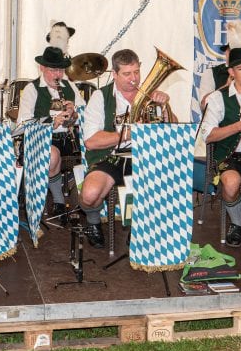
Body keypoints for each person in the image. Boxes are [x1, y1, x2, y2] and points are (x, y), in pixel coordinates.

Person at [79, 49, 170, 248]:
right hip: (110, 157)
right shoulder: (100, 97)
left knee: (158, 185)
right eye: (127, 74)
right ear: (114, 74)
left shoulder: (150, 94)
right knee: (89, 194)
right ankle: (93, 220)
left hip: (144, 156)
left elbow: (170, 132)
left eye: (136, 72)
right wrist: (127, 135)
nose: (134, 79)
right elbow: (91, 141)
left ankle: (139, 229)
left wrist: (164, 110)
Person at [202, 47, 241, 247]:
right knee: (230, 183)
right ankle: (237, 223)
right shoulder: (217, 98)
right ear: (231, 72)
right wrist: (240, 126)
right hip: (230, 155)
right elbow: (208, 135)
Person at [16, 46, 86, 216]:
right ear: (42, 68)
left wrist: (75, 114)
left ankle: (89, 203)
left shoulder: (69, 86)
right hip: (40, 139)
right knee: (53, 155)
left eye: (61, 70)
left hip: (68, 138)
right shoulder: (32, 89)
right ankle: (58, 199)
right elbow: (22, 122)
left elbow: (86, 114)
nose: (58, 75)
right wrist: (51, 123)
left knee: (91, 148)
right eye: (53, 70)